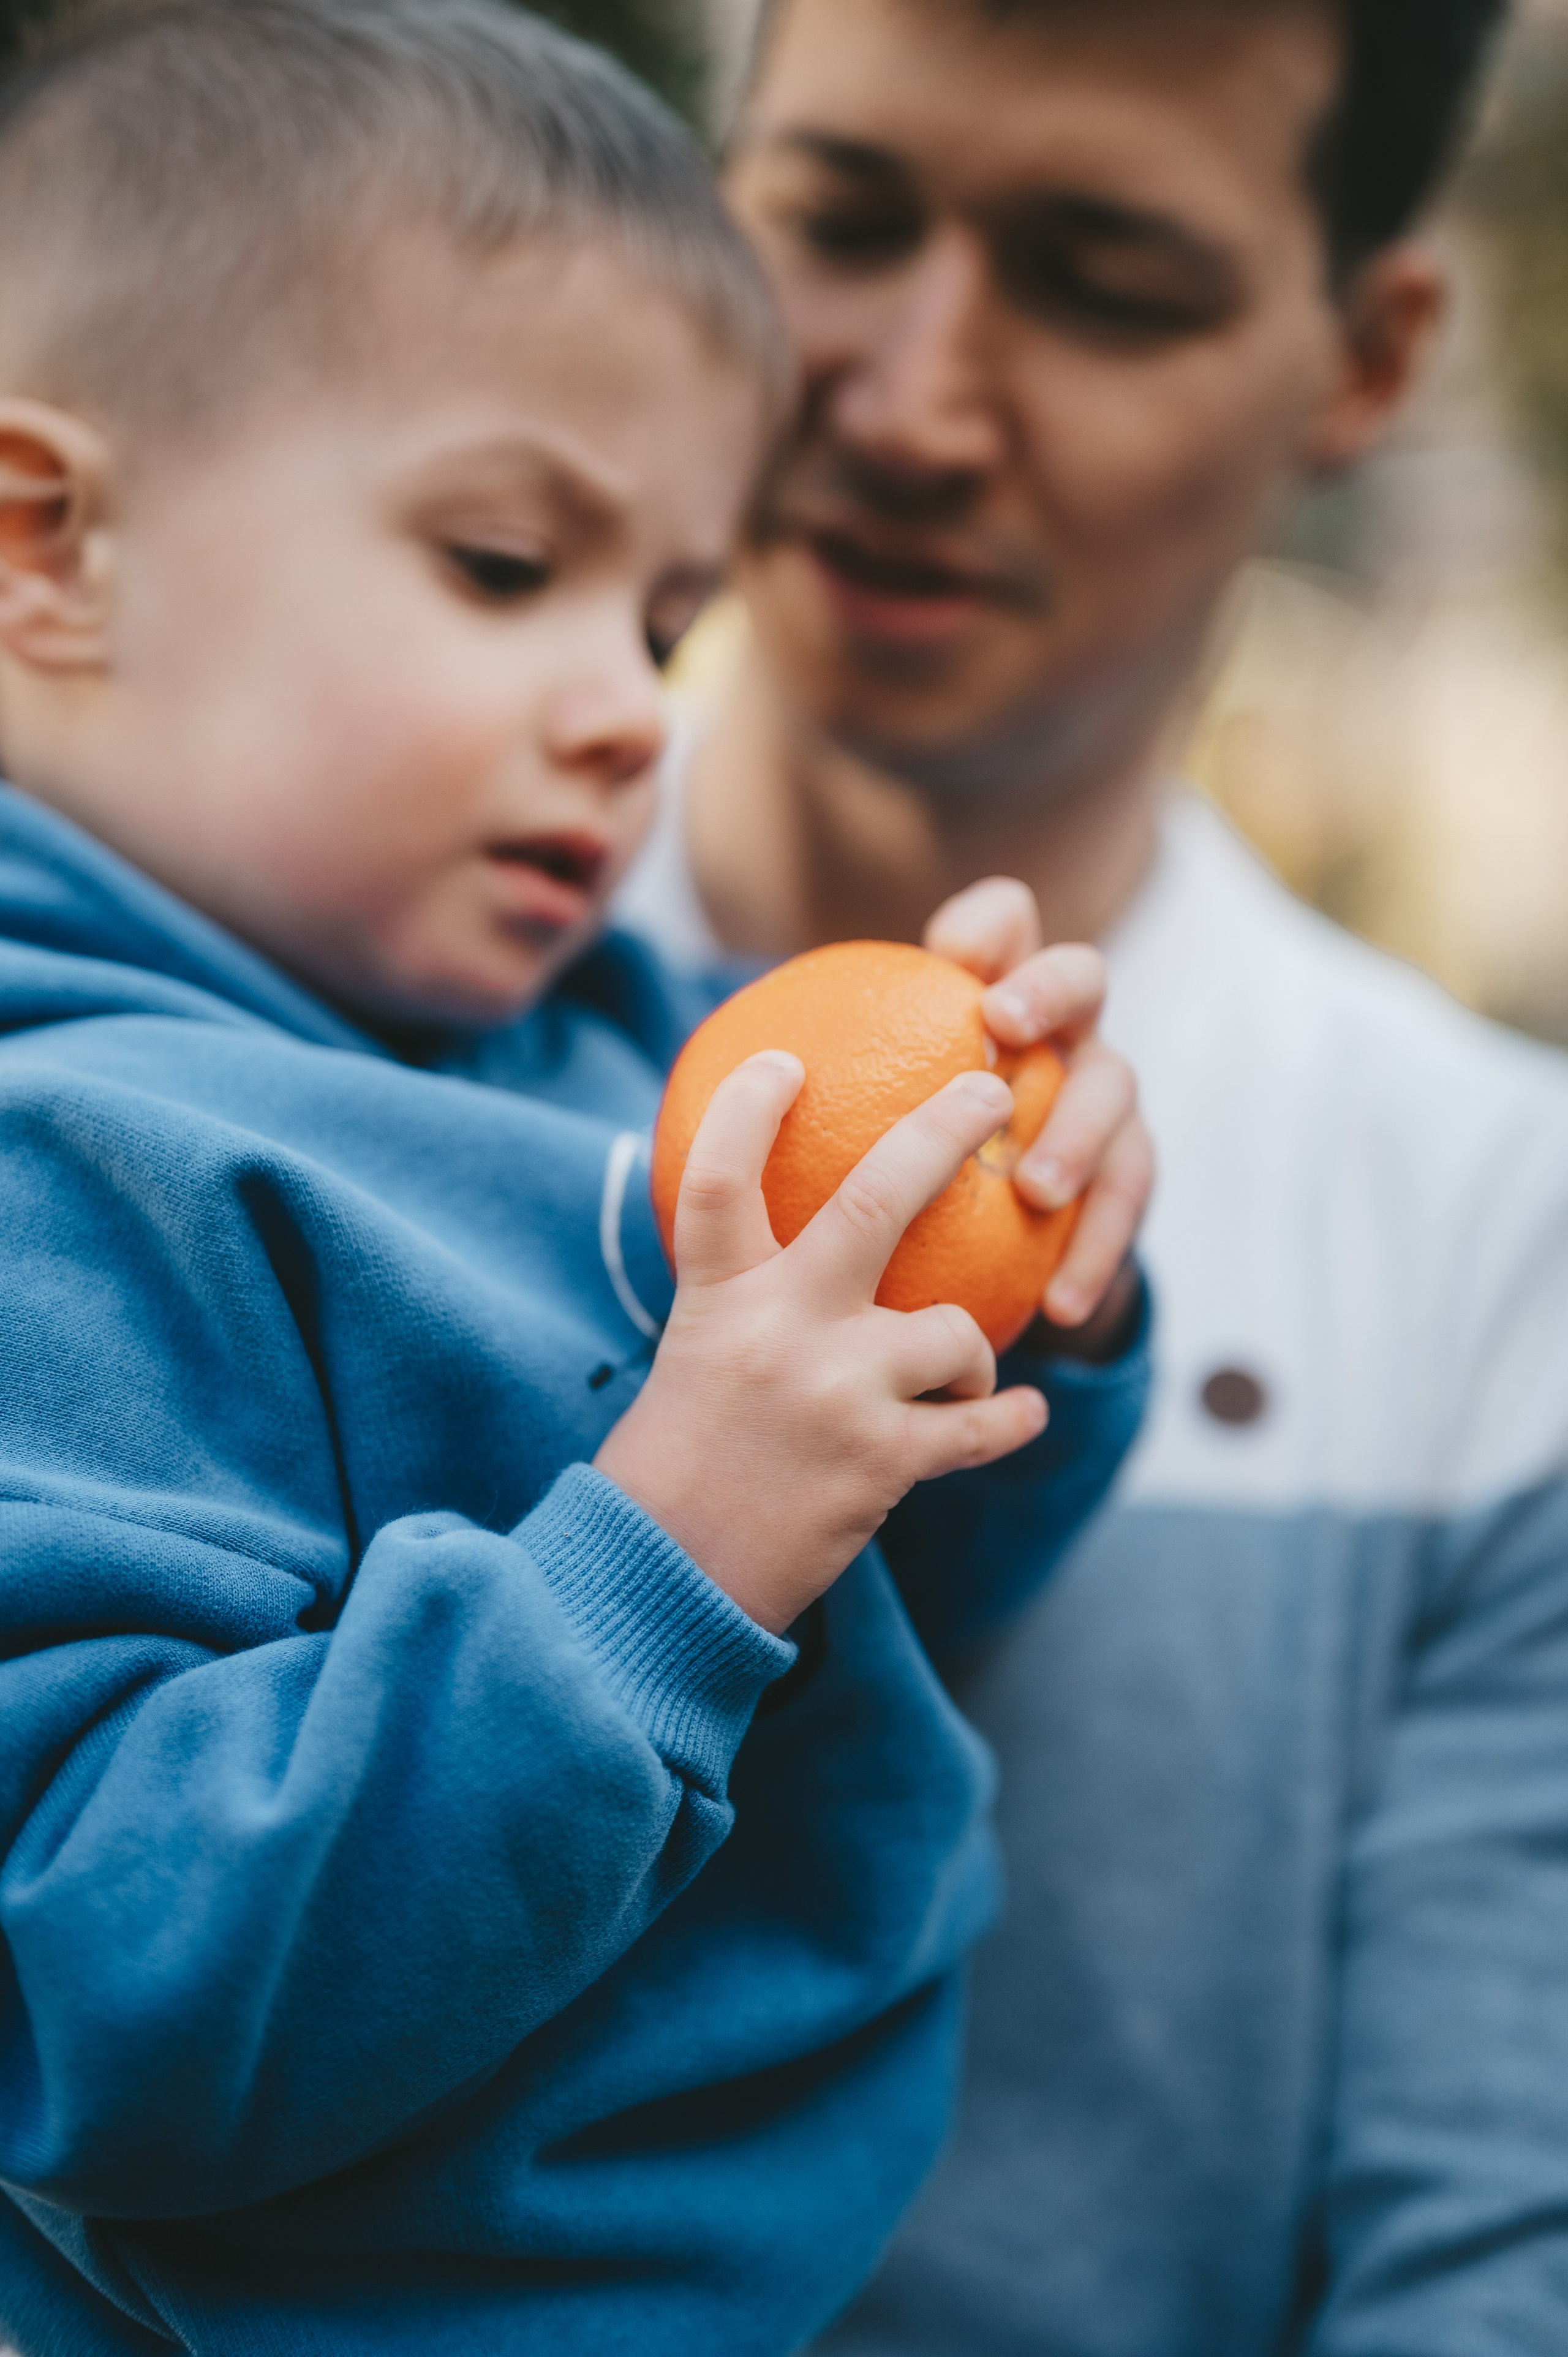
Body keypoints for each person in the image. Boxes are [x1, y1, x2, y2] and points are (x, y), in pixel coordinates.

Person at [0, 5, 1156, 2353]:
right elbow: (95, 1992)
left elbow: (920, 1583)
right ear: (54, 548)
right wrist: (664, 1555)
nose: (639, 707)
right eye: (506, 560)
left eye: (665, 617)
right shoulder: (73, 1169)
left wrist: (1045, 1300)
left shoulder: (633, 1050)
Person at [615, 0, 1568, 2348]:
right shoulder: (263, 1020)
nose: (914, 404)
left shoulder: (1498, 1259)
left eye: (1103, 280)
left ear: (1366, 357)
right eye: (837, 221)